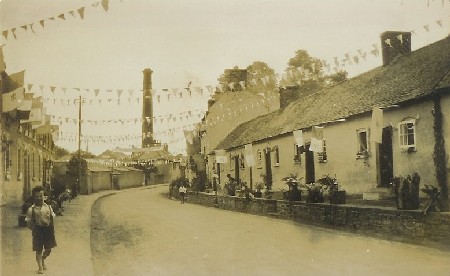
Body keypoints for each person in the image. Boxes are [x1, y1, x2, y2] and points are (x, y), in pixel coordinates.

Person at [25, 186, 57, 274]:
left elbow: (52, 217)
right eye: (37, 196)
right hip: (38, 231)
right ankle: (40, 267)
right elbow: (28, 221)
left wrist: (52, 229)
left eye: (41, 195)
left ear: (44, 196)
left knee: (49, 249)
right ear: (34, 197)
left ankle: (43, 259)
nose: (39, 198)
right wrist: (33, 229)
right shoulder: (31, 209)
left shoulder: (49, 207)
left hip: (48, 230)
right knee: (38, 249)